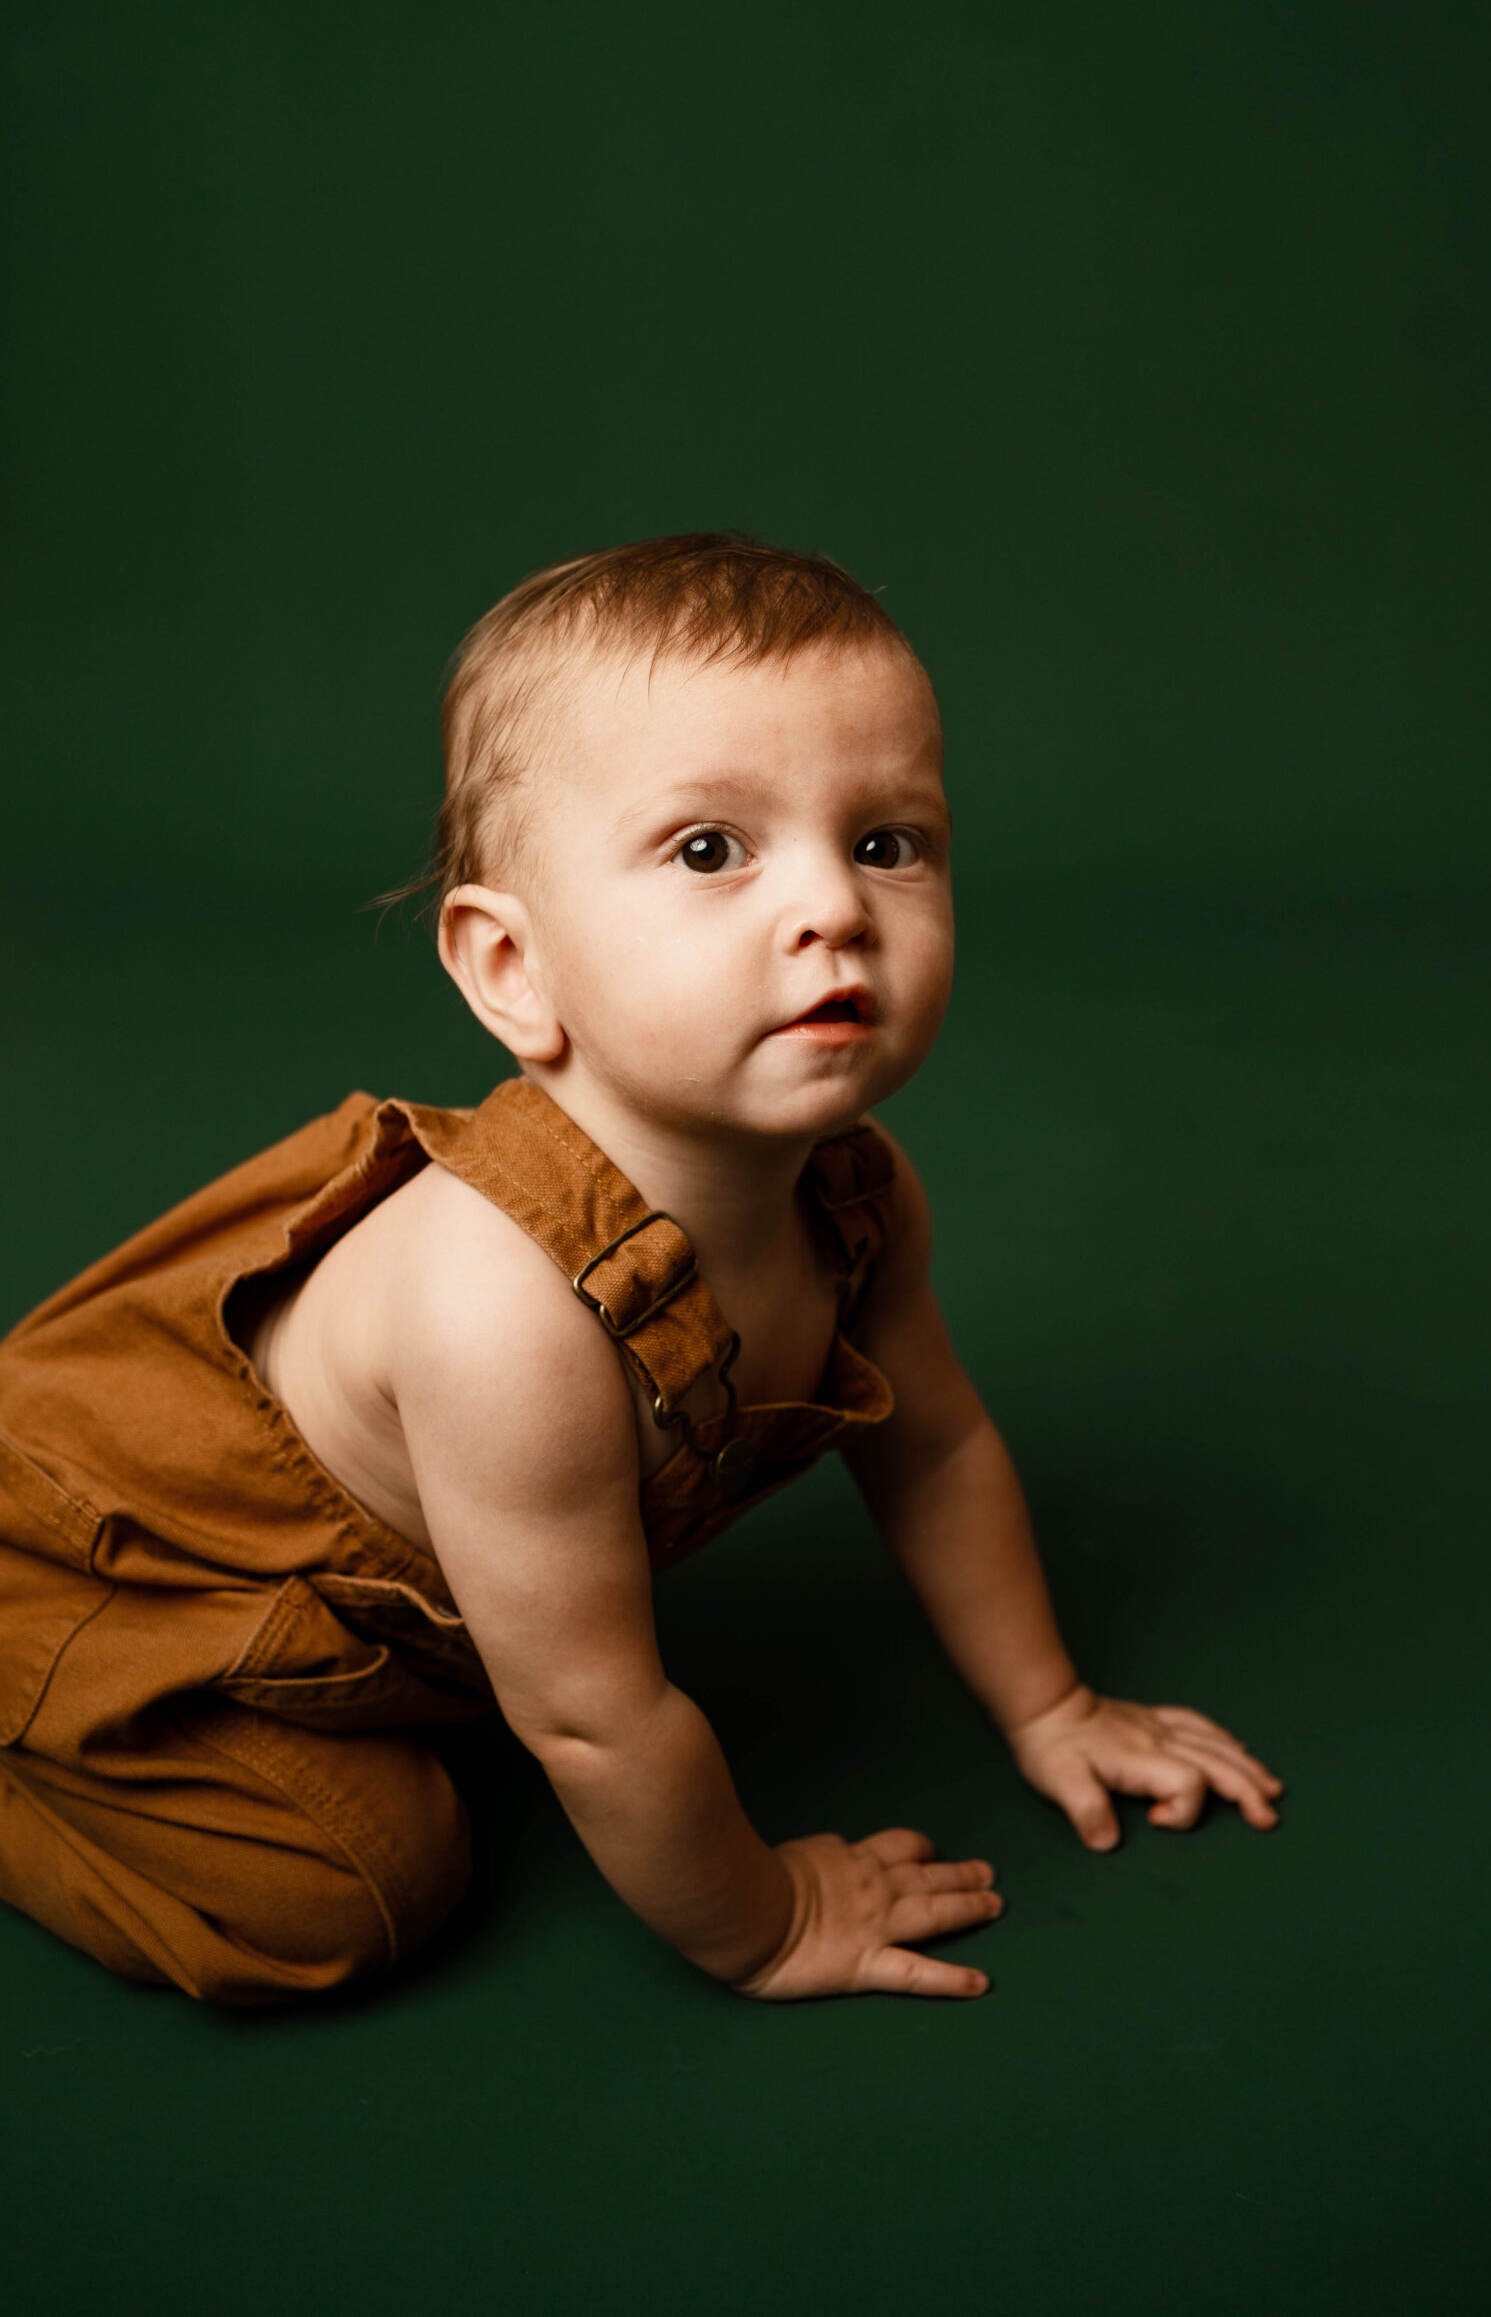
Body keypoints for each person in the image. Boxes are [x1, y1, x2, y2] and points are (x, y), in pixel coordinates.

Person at [0, 534, 1281, 2005]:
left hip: (422, 1620)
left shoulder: (856, 1196)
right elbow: (598, 1723)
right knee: (349, 1892)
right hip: (136, 1593)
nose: (834, 909)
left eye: (886, 842)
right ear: (510, 971)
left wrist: (1053, 1706)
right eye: (708, 850)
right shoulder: (503, 1312)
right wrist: (766, 1920)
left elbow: (934, 1448)